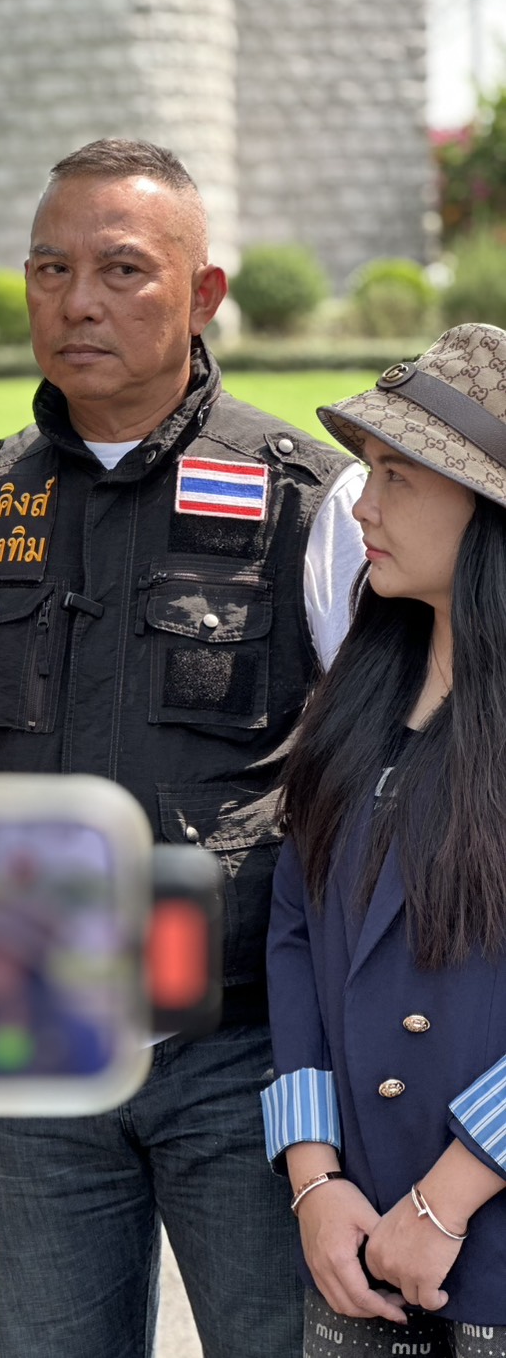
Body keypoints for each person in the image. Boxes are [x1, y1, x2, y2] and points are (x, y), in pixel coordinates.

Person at [0, 138, 366, 1357]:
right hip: (40, 1049)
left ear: (203, 292)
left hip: (245, 1053)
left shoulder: (307, 499)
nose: (78, 302)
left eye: (121, 270)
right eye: (50, 270)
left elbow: (378, 777)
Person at [263, 323, 506, 1356]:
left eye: (399, 477)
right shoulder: (358, 698)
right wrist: (312, 1174)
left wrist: (451, 1194)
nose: (363, 504)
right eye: (368, 469)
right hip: (357, 1246)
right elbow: (294, 932)